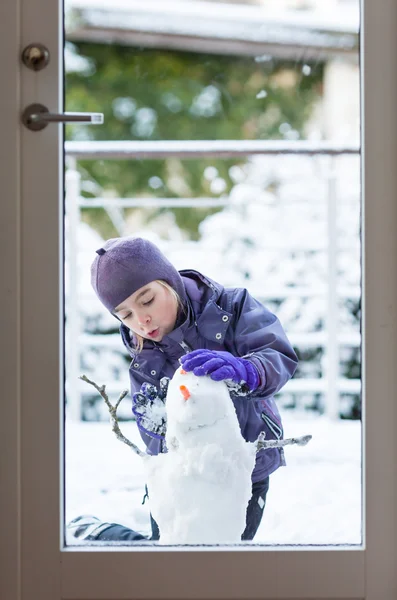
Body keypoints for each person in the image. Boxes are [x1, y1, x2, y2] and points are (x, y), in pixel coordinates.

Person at [68, 236, 298, 543]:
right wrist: (173, 444)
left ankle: (98, 536)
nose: (141, 320)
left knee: (223, 559)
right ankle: (99, 536)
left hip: (241, 467)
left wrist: (248, 370)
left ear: (170, 281)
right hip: (180, 475)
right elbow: (152, 431)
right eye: (125, 315)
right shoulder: (144, 360)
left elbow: (276, 353)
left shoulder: (232, 306)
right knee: (166, 557)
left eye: (147, 300)